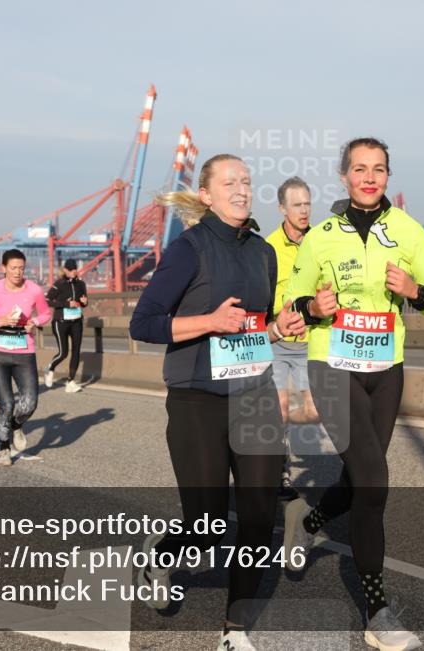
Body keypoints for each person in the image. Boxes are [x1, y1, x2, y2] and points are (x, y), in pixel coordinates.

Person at [130, 154, 305, 651]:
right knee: (206, 528)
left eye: (246, 181)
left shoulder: (263, 253)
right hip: (198, 400)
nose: (242, 189)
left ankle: (234, 630)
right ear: (206, 195)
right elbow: (143, 323)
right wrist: (209, 322)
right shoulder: (188, 249)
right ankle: (160, 557)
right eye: (230, 183)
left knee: (258, 516)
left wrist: (277, 329)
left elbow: (253, 327)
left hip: (254, 394)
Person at [282, 138, 424, 651]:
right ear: (345, 176)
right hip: (332, 365)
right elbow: (290, 303)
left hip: (385, 369)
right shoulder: (321, 237)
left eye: (378, 169)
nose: (369, 177)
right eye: (359, 169)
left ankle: (307, 519)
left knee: (361, 476)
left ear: (388, 176)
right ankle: (377, 613)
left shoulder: (408, 231)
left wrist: (413, 291)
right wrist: (313, 307)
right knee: (375, 482)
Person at [266, 176, 320, 501]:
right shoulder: (268, 247)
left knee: (317, 412)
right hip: (278, 343)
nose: (303, 210)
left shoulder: (321, 243)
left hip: (314, 343)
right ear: (282, 208)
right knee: (281, 412)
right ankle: (280, 474)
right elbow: (261, 295)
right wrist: (281, 317)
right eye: (297, 204)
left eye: (307, 204)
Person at [0, 249, 51, 466]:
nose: (18, 272)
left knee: (30, 403)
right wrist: (1, 321)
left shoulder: (34, 290)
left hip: (24, 350)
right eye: (13, 268)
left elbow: (46, 313)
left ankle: (16, 425)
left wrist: (34, 322)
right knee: (6, 403)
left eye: (21, 268)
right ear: (4, 268)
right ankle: (4, 447)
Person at [45, 259, 87, 393]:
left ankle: (71, 382)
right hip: (61, 322)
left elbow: (84, 301)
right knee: (63, 353)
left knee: (76, 351)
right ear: (65, 270)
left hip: (77, 321)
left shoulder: (81, 284)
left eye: (75, 269)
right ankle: (50, 368)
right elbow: (47, 301)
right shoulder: (59, 284)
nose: (73, 272)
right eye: (70, 270)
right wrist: (66, 304)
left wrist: (84, 302)